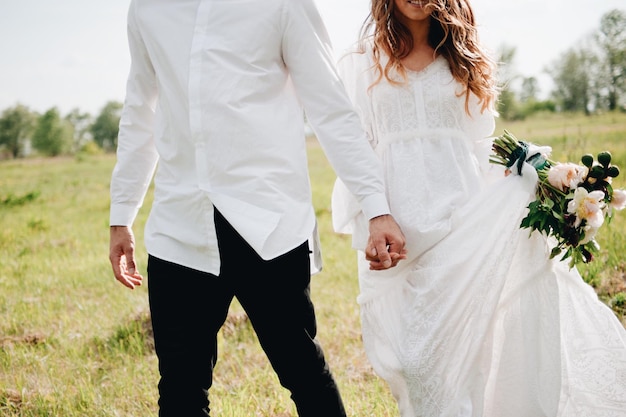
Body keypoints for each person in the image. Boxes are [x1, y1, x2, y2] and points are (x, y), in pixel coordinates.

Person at [107, 0, 407, 416]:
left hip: (269, 222)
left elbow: (331, 110)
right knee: (179, 388)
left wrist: (376, 208)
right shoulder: (148, 10)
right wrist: (122, 215)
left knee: (303, 372)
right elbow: (140, 110)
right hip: (180, 227)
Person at [331, 0, 626, 416]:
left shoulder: (465, 58)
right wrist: (374, 215)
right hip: (396, 235)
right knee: (408, 362)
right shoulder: (360, 61)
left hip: (464, 228)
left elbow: (478, 145)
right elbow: (353, 148)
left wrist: (538, 173)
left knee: (456, 361)